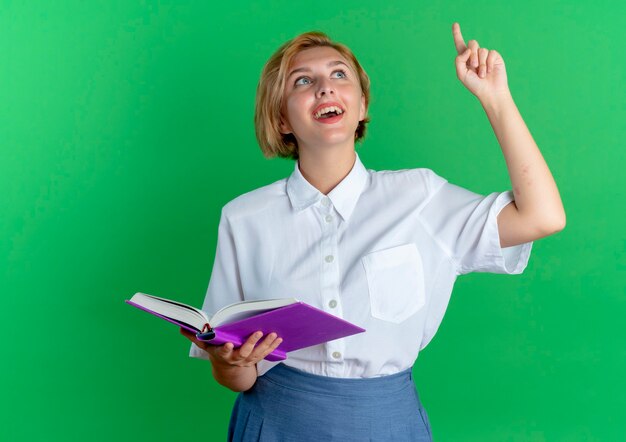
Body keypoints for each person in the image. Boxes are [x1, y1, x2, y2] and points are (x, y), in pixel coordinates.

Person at [180, 23, 565, 441]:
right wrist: (231, 364)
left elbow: (543, 217)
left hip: (387, 423)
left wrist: (495, 98)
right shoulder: (243, 217)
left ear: (362, 106)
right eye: (303, 81)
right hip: (274, 422)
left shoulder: (421, 196)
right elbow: (238, 375)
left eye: (339, 74)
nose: (325, 88)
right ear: (281, 118)